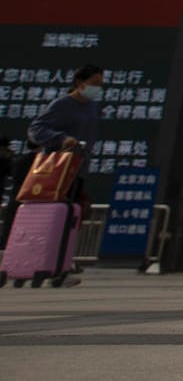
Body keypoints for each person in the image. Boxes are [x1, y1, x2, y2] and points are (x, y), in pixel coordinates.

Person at [18, 65, 103, 287]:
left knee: (71, 219)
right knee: (54, 218)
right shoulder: (63, 105)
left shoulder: (92, 108)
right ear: (79, 83)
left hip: (78, 169)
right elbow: (36, 129)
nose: (97, 88)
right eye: (94, 83)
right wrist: (61, 138)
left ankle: (59, 267)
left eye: (100, 84)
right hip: (59, 171)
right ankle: (38, 266)